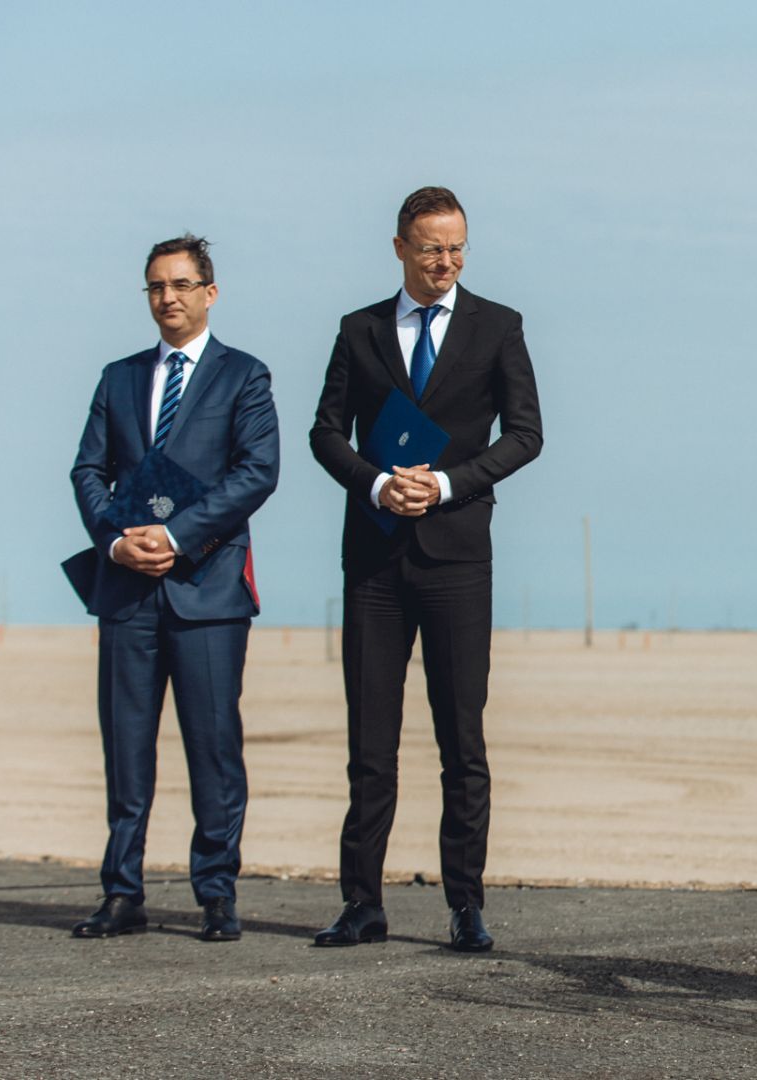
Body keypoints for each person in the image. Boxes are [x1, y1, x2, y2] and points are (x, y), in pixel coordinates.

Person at [309, 186, 543, 950]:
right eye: (431, 246)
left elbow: (526, 434)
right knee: (370, 744)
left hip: (455, 558)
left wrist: (445, 484)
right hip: (375, 560)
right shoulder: (359, 330)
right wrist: (377, 482)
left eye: (457, 247)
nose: (445, 261)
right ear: (401, 247)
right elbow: (324, 432)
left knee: (460, 741)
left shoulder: (498, 326)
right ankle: (361, 903)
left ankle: (466, 904)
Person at [68, 234, 281, 942]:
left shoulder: (244, 376)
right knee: (126, 749)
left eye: (183, 284)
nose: (169, 298)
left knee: (213, 747)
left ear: (209, 292)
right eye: (157, 286)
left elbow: (258, 472)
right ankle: (122, 893)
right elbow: (87, 472)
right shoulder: (118, 378)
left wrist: (177, 535)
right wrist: (114, 538)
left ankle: (216, 892)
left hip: (209, 592)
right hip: (125, 592)